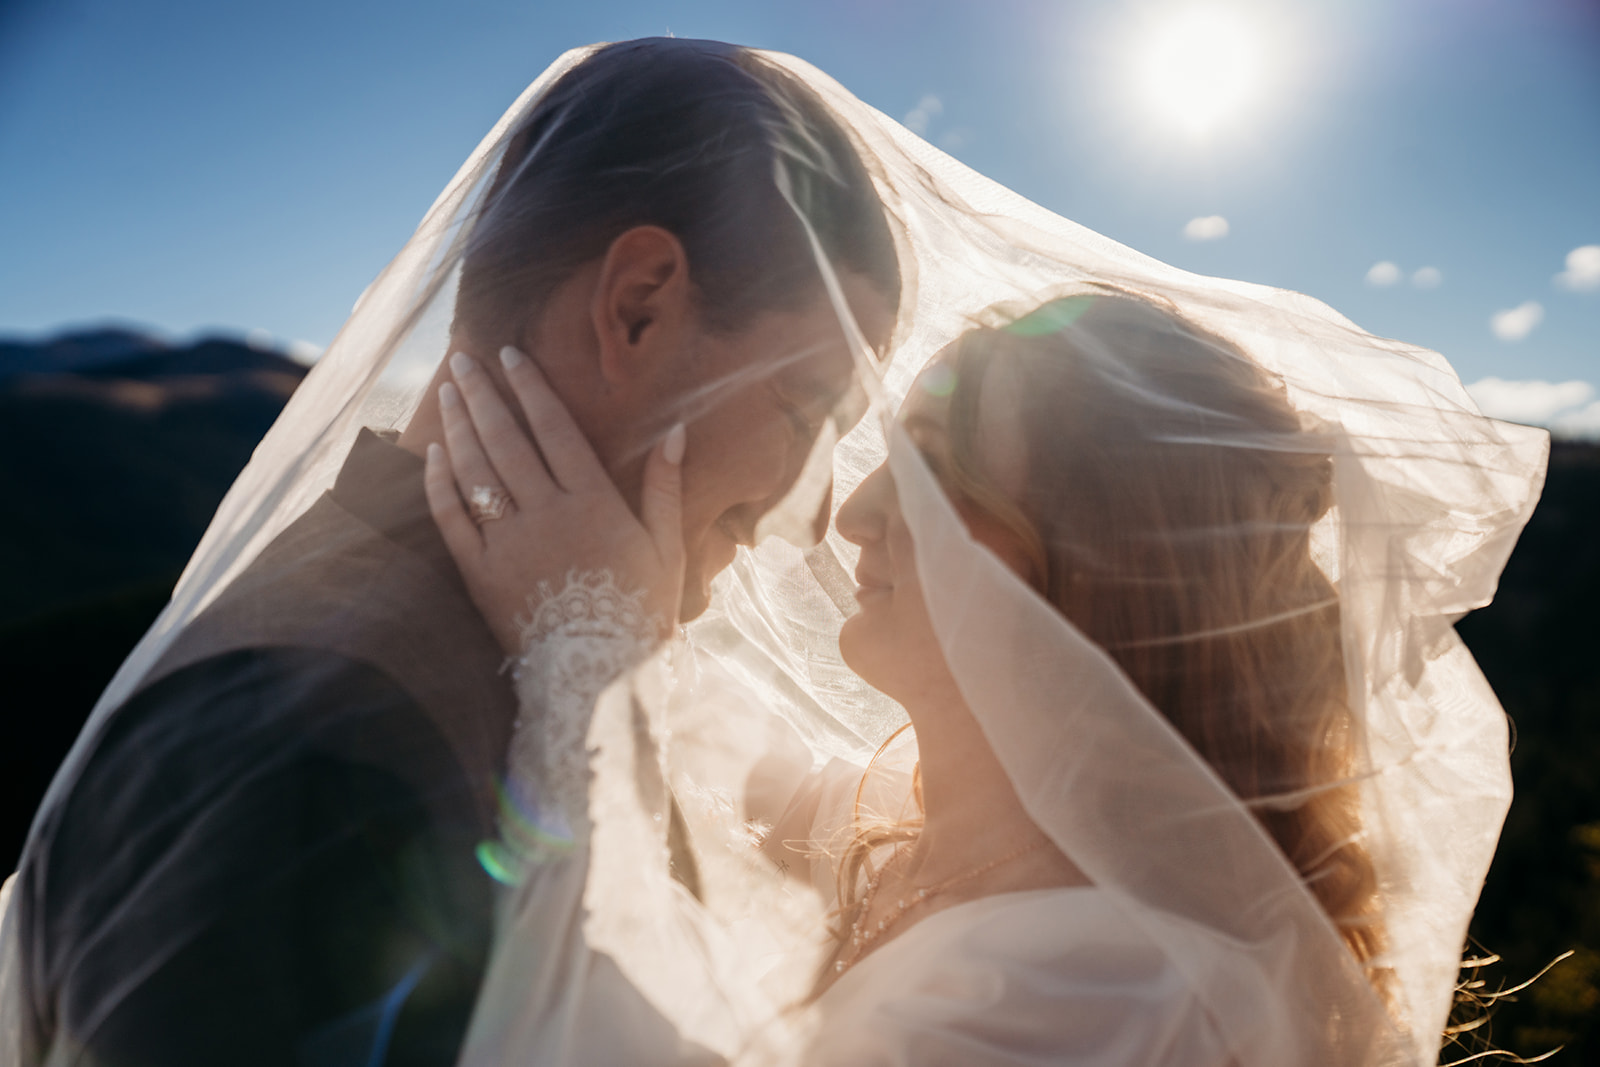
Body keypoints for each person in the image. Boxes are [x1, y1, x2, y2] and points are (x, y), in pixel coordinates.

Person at [0, 38, 898, 1066]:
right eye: (806, 406)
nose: (820, 508)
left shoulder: (534, 647)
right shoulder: (320, 727)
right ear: (635, 305)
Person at [423, 286, 1544, 1065]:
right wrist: (606, 610)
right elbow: (747, 763)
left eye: (933, 475)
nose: (854, 512)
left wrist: (581, 644)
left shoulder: (1110, 987)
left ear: (1101, 570)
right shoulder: (959, 829)